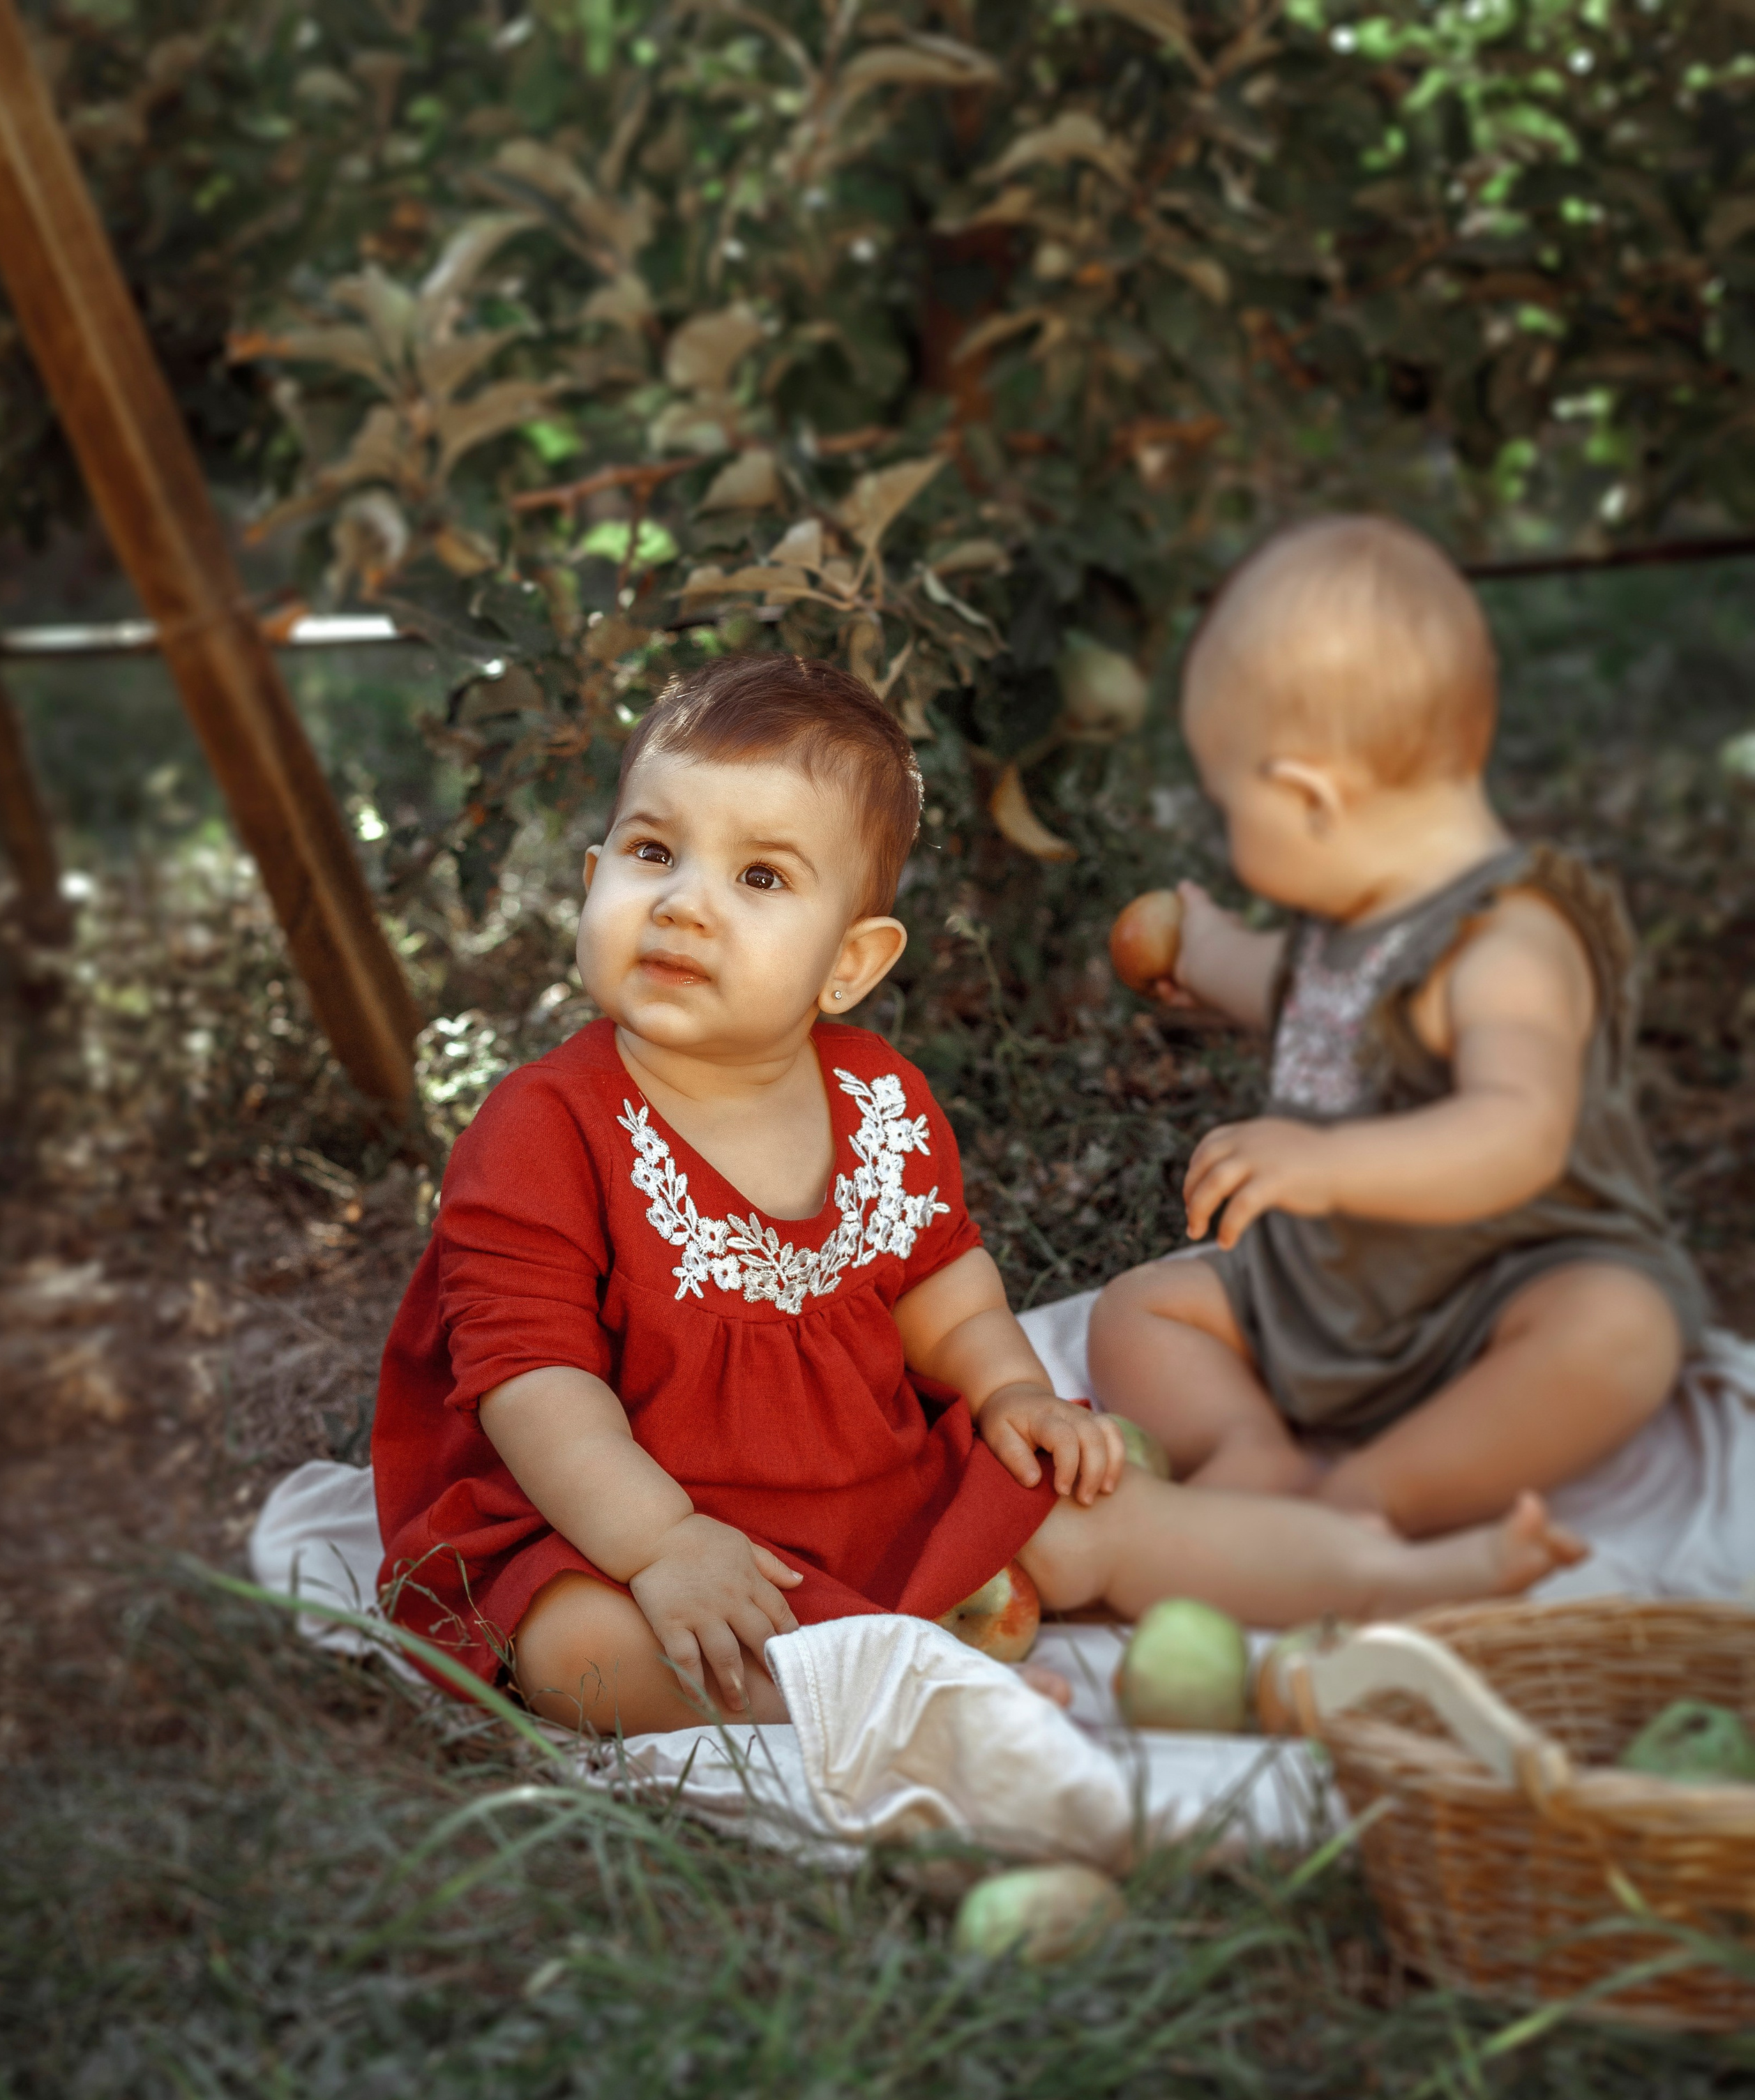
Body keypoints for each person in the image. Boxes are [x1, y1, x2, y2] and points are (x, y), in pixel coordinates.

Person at [374, 654, 1583, 1738]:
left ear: (851, 962)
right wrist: (663, 1543)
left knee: (1081, 1510)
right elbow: (536, 1384)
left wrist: (1011, 1387)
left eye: (759, 875)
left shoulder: (878, 1101)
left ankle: (1391, 1574)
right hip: (613, 1514)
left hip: (861, 1479)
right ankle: (922, 1702)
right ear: (592, 879)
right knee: (583, 1650)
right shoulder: (543, 1126)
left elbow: (942, 1293)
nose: (686, 901)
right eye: (652, 852)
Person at [1090, 514, 1704, 1536]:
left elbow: (1520, 1126)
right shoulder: (1349, 922)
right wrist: (1199, 949)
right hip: (1330, 1296)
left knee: (1618, 1329)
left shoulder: (1508, 941)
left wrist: (1328, 1166)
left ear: (1310, 799)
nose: (1233, 841)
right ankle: (1252, 1451)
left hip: (1492, 1297)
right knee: (1139, 1313)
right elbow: (1287, 986)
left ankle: (1370, 1501)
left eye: (1231, 808)